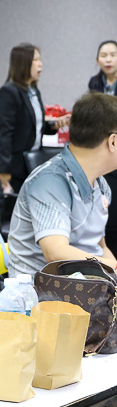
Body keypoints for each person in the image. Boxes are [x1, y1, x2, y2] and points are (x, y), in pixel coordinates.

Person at [7, 92, 117, 278]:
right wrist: (112, 267)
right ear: (113, 141)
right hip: (39, 292)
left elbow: (100, 247)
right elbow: (55, 253)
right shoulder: (49, 182)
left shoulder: (101, 184)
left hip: (86, 285)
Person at [0, 43, 69, 193]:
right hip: (14, 167)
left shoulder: (33, 91)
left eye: (40, 60)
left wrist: (54, 125)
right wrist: (3, 170)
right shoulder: (8, 92)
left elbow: (33, 126)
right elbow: (4, 134)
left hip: (32, 164)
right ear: (23, 63)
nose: (40, 64)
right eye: (36, 60)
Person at [88, 41, 117, 252]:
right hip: (101, 148)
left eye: (113, 55)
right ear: (97, 60)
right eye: (104, 55)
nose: (108, 59)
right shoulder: (95, 82)